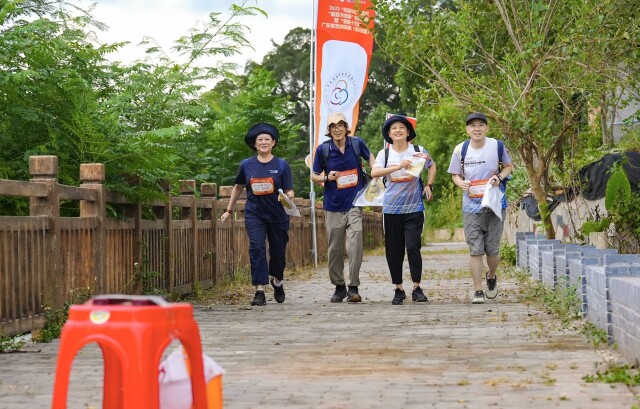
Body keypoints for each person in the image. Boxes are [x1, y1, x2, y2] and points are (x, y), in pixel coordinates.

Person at [220, 123, 294, 306]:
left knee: (278, 252)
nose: (263, 142)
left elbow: (290, 191)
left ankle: (277, 281)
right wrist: (228, 210)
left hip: (278, 215)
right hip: (255, 213)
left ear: (273, 142)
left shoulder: (282, 165)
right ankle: (259, 290)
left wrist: (286, 197)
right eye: (259, 139)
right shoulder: (247, 165)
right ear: (254, 144)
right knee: (257, 248)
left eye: (267, 139)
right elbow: (238, 187)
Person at [447, 112, 513, 304]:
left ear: (487, 128)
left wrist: (499, 177)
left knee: (492, 251)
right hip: (471, 206)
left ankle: (491, 275)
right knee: (475, 250)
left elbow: (508, 166)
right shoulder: (460, 149)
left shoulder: (496, 145)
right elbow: (455, 174)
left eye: (481, 125)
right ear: (467, 129)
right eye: (473, 125)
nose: (477, 129)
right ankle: (478, 291)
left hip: (494, 204)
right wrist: (460, 183)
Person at [370, 115, 436, 305]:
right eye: (394, 128)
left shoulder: (417, 151)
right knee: (394, 250)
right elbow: (374, 173)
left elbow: (432, 165)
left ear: (408, 132)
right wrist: (397, 166)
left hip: (414, 208)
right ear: (389, 134)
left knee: (413, 246)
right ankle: (398, 289)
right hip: (391, 209)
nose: (398, 130)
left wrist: (429, 185)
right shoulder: (385, 154)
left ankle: (417, 288)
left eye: (402, 127)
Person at [311, 112, 375, 303]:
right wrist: (326, 177)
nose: (337, 129)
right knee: (335, 249)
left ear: (346, 128)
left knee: (355, 244)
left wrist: (375, 171)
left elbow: (371, 157)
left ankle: (353, 287)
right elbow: (314, 175)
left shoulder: (356, 143)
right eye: (333, 126)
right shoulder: (323, 150)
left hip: (355, 202)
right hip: (333, 206)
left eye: (340, 125)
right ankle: (339, 285)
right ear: (329, 130)